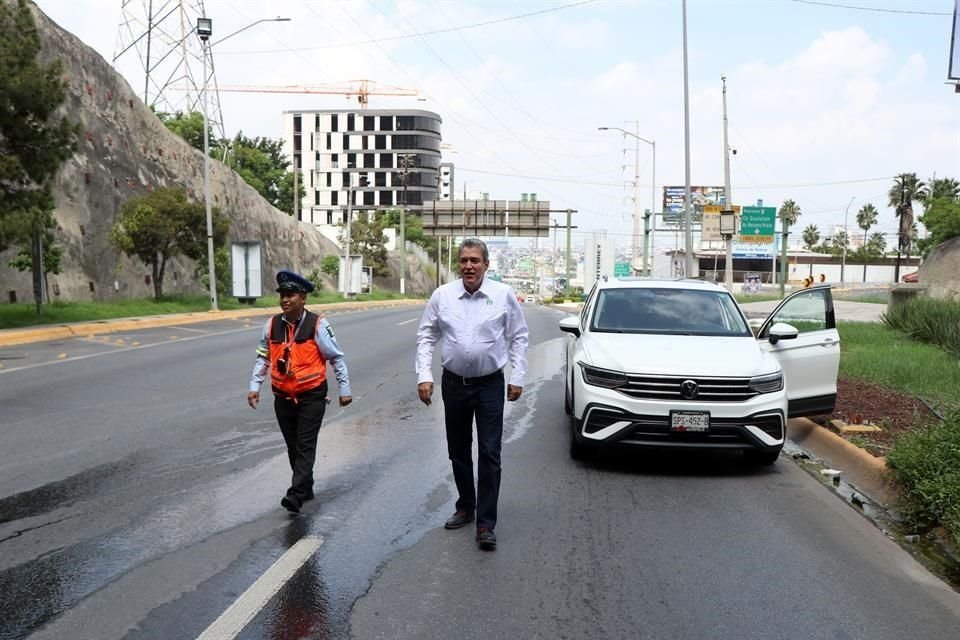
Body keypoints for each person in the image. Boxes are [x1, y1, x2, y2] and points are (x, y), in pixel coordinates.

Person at [415, 238, 529, 551]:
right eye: (464, 260)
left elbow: (518, 337)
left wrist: (517, 377)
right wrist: (424, 376)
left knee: (490, 452)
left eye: (475, 260)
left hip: (490, 384)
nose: (469, 266)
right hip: (454, 385)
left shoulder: (502, 295)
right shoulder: (443, 295)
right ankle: (466, 505)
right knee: (458, 449)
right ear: (459, 264)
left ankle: (486, 523)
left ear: (486, 265)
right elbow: (426, 336)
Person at [248, 269, 352, 514]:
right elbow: (263, 358)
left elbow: (336, 358)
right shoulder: (271, 325)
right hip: (282, 396)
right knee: (293, 445)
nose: (285, 299)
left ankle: (295, 494)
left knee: (305, 444)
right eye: (282, 295)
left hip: (311, 395)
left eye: (291, 295)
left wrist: (344, 389)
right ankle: (306, 485)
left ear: (303, 298)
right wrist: (254, 387)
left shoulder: (318, 324)